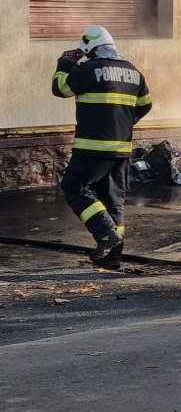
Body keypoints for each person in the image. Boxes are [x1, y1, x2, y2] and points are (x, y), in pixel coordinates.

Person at [51, 25, 152, 269]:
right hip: (121, 149)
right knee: (113, 200)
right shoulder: (134, 72)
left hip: (91, 148)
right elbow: (145, 104)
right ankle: (112, 257)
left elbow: (59, 88)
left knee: (75, 187)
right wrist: (124, 122)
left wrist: (64, 64)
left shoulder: (88, 69)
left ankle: (105, 233)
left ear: (89, 48)